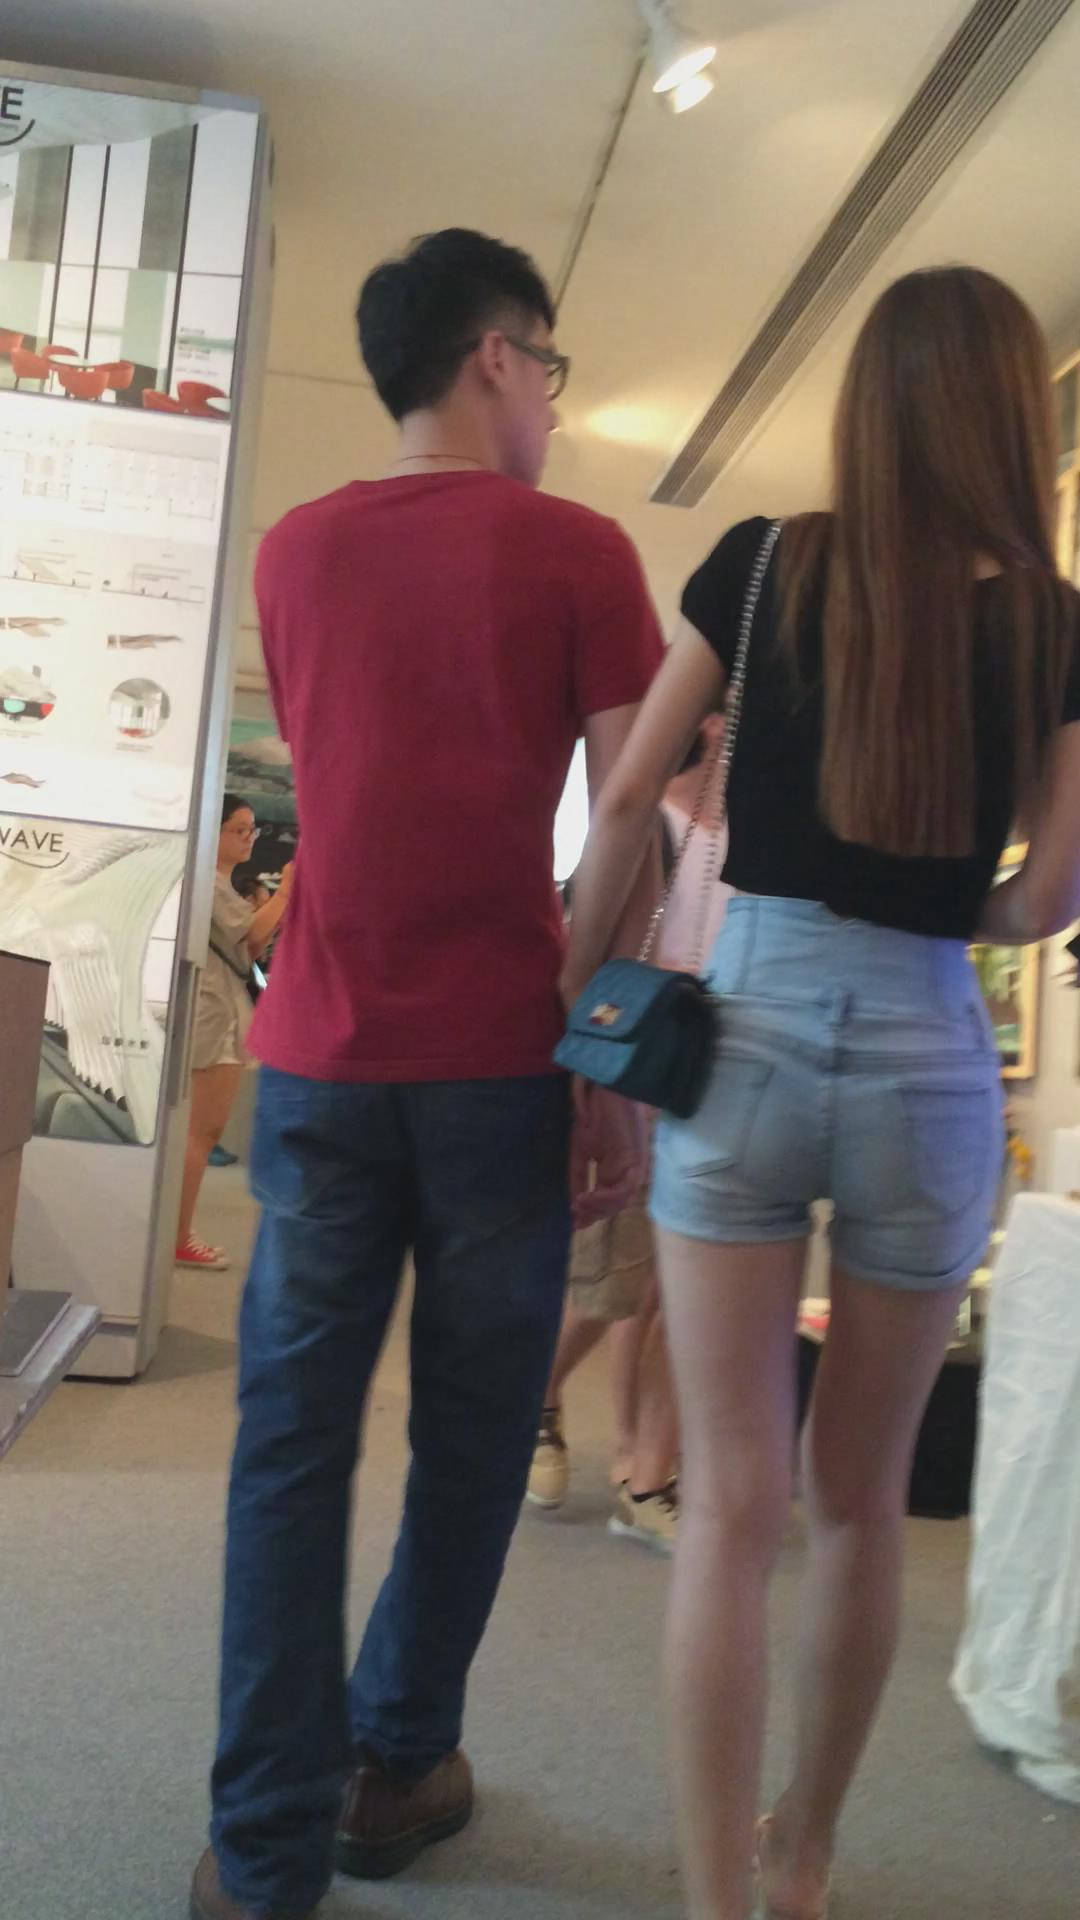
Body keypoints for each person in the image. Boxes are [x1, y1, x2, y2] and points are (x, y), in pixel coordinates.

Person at [560, 267, 1080, 1920]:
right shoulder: (1058, 623)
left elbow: (629, 798)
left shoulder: (762, 560)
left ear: (868, 403)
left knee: (730, 1508)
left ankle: (719, 1899)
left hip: (755, 1031)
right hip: (933, 1047)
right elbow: (1053, 893)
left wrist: (573, 1004)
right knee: (859, 1509)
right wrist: (944, 914)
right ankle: (804, 1863)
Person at [190, 229, 663, 1920]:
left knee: (289, 1448)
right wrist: (599, 1045)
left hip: (318, 1058)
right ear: (496, 356)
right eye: (551, 370)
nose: (553, 405)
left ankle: (257, 1860)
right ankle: (396, 1761)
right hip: (495, 1062)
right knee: (471, 1440)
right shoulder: (580, 551)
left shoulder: (294, 552)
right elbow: (631, 821)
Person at [528, 718, 730, 1554]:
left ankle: (647, 1475)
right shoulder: (650, 822)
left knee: (685, 1287)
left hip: (721, 1068)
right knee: (619, 1282)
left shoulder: (751, 832)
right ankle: (539, 1398)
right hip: (644, 1066)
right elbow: (590, 942)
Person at [175, 797, 292, 1270]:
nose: (248, 839)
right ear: (215, 831)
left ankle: (179, 1232)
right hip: (212, 1013)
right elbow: (250, 937)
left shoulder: (219, 883)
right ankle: (178, 1235)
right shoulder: (207, 881)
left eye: (252, 830)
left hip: (219, 1010)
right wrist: (285, 894)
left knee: (204, 1131)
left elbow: (249, 945)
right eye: (239, 830)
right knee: (200, 1132)